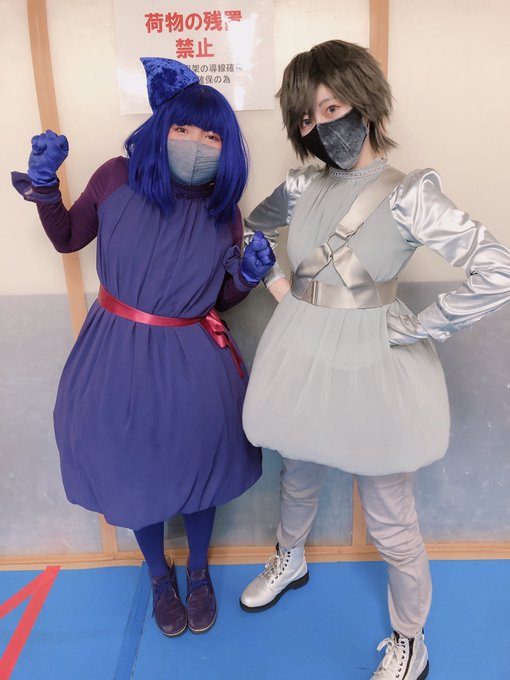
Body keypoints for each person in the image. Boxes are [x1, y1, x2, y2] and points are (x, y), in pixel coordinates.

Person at [239, 39, 510, 679]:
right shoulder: (302, 184)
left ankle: (410, 639)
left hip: (372, 361)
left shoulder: (410, 193)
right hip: (301, 348)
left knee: (390, 512)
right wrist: (277, 284)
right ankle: (290, 558)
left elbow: (497, 269)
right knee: (297, 470)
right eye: (307, 116)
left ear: (365, 102)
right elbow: (253, 228)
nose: (320, 125)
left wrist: (425, 324)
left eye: (332, 107)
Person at [12, 57, 274, 637]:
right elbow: (68, 238)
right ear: (161, 127)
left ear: (227, 149)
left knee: (201, 469)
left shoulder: (223, 211)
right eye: (184, 127)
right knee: (132, 470)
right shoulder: (115, 178)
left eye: (212, 136)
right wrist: (47, 187)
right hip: (117, 351)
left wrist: (248, 277)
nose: (197, 143)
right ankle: (159, 576)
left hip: (194, 359)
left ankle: (199, 572)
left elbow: (219, 299)